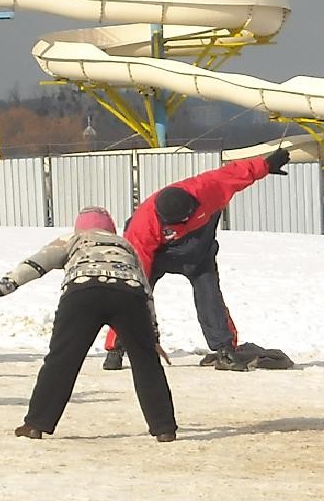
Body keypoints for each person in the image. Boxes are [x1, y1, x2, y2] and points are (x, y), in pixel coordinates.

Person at [0, 206, 177, 441]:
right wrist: (152, 337)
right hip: (128, 295)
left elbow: (36, 264)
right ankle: (164, 428)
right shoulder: (125, 245)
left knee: (61, 360)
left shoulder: (73, 239)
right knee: (146, 363)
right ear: (110, 228)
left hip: (82, 293)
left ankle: (36, 424)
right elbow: (145, 289)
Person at [102, 148, 291, 372]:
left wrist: (267, 165)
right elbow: (134, 278)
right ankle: (116, 348)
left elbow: (236, 173)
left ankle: (224, 349)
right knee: (134, 295)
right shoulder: (143, 224)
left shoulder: (205, 189)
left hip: (199, 251)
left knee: (209, 294)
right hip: (159, 254)